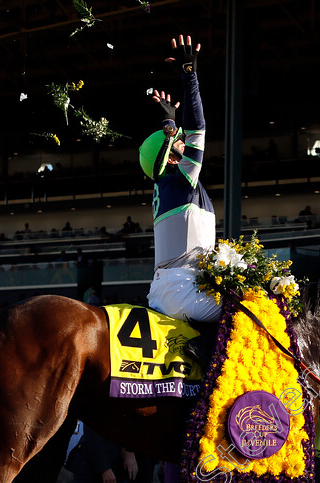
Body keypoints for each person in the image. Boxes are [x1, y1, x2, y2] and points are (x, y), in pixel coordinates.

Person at [140, 35, 221, 361]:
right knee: (253, 307)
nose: (187, 144)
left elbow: (182, 134)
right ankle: (204, 351)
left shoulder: (169, 183)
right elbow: (198, 125)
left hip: (167, 289)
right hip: (183, 290)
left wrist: (171, 121)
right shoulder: (182, 181)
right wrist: (189, 74)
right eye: (180, 145)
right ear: (172, 159)